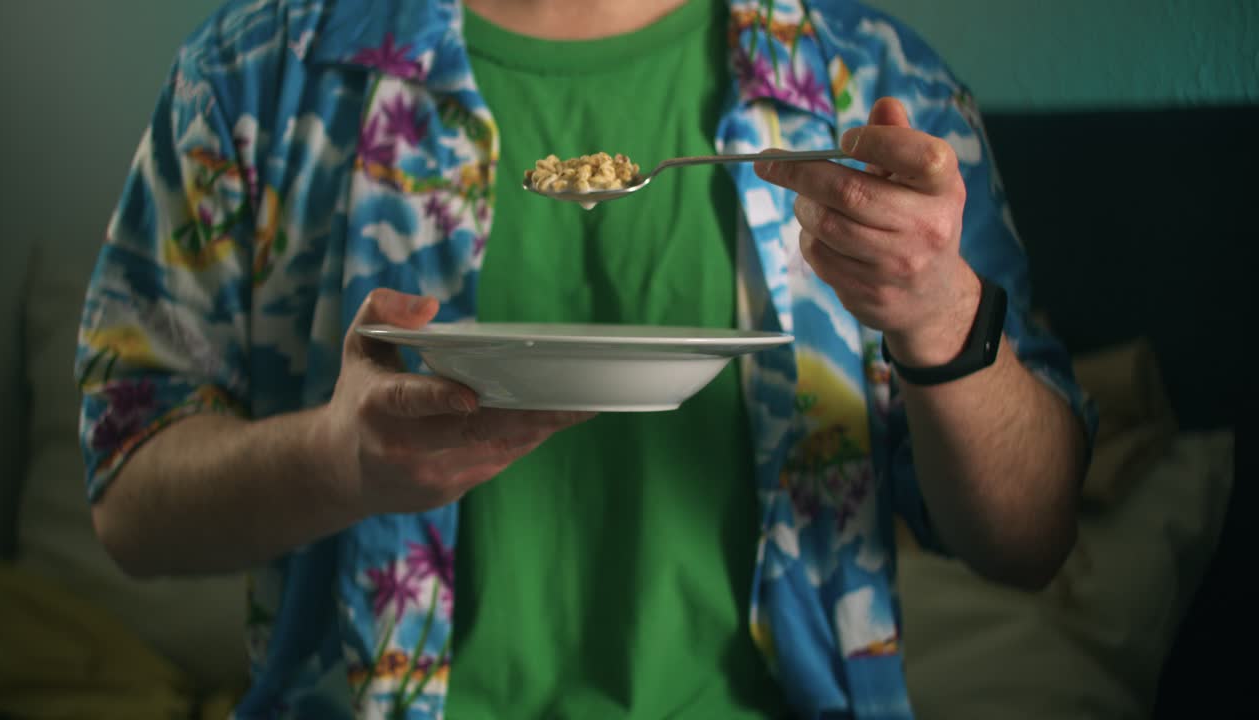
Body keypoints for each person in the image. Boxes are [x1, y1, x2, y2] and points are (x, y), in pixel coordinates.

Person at [76, 0, 1094, 717]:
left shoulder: (869, 80)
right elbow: (129, 502)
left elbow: (1028, 537)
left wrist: (939, 310)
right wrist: (335, 465)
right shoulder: (254, 72)